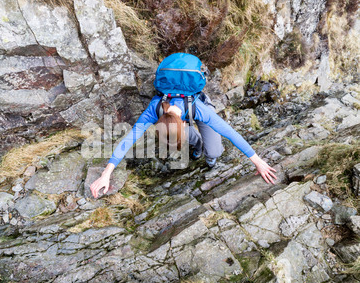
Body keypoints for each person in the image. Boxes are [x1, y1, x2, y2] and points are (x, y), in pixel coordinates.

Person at [90, 54, 277, 198]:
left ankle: (209, 157)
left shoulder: (201, 110)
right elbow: (128, 139)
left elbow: (230, 132)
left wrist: (258, 162)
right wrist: (106, 173)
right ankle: (197, 148)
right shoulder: (153, 109)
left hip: (198, 107)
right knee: (193, 140)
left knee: (214, 151)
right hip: (181, 121)